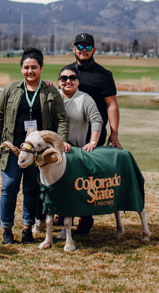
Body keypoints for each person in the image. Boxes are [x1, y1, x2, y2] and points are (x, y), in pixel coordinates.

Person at [0, 48, 69, 245]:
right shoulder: (10, 90)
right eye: (26, 67)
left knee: (32, 189)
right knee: (9, 188)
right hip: (12, 150)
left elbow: (61, 120)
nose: (30, 71)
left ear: (41, 68)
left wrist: (60, 142)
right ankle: (7, 230)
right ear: (21, 69)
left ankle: (27, 229)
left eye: (34, 67)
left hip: (38, 153)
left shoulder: (51, 92)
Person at [68, 32, 122, 235]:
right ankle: (65, 215)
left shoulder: (103, 74)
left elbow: (112, 104)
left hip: (94, 135)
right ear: (73, 49)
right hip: (70, 134)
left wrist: (114, 133)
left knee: (87, 177)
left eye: (87, 47)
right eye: (79, 47)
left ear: (94, 50)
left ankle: (86, 218)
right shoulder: (67, 72)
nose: (83, 50)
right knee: (68, 173)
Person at [55, 64, 103, 239]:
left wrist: (92, 142)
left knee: (80, 189)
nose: (68, 81)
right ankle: (63, 220)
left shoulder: (85, 99)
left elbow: (96, 120)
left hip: (77, 152)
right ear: (58, 82)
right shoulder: (53, 97)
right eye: (63, 78)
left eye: (72, 78)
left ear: (78, 81)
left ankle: (85, 221)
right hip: (57, 152)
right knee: (60, 188)